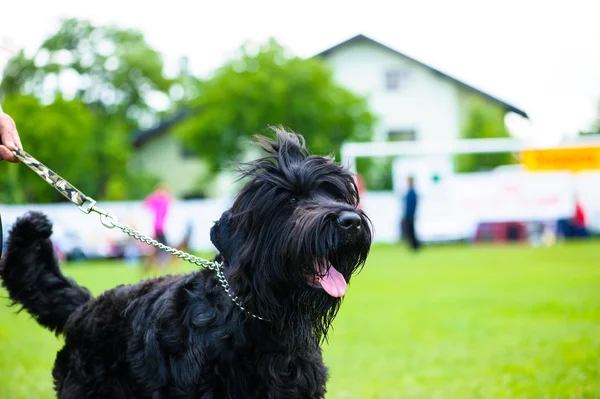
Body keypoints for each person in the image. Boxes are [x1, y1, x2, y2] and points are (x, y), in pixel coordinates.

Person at [142, 183, 174, 271]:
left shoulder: (161, 201)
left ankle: (154, 265)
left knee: (158, 248)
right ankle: (159, 264)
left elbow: (146, 202)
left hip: (158, 227)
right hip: (159, 227)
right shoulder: (160, 201)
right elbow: (146, 202)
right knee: (164, 247)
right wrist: (157, 194)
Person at [401, 176, 421, 251]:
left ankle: (415, 245)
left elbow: (413, 204)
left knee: (411, 231)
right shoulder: (409, 191)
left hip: (410, 214)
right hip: (408, 214)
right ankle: (414, 245)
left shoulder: (412, 192)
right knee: (410, 231)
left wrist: (410, 213)